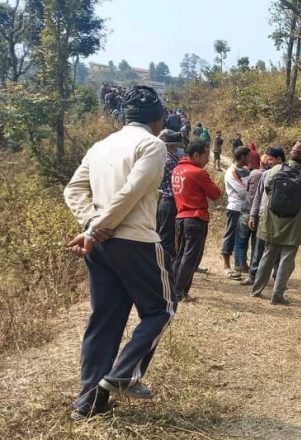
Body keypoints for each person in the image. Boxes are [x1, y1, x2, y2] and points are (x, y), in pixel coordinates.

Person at [63, 86, 174, 421]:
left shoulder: (100, 146)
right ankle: (125, 374)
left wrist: (92, 224)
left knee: (105, 321)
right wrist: (98, 228)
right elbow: (131, 192)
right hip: (136, 242)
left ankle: (88, 403)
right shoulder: (153, 145)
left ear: (125, 116)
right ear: (159, 119)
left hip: (99, 246)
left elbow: (74, 189)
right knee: (162, 309)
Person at [250, 141, 301, 305]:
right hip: (294, 222)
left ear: (290, 154)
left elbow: (267, 190)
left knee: (268, 253)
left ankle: (256, 290)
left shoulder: (275, 170)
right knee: (287, 258)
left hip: (272, 219)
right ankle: (277, 295)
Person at [171, 140, 221, 302]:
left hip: (180, 218)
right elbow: (215, 193)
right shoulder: (198, 173)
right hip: (196, 218)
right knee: (191, 257)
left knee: (180, 255)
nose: (208, 160)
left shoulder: (177, 170)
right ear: (196, 155)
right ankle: (179, 292)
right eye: (206, 156)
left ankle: (175, 289)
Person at [242, 147, 285, 286]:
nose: (269, 162)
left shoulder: (288, 175)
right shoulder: (265, 174)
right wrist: (253, 216)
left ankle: (277, 278)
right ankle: (253, 276)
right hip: (262, 216)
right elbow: (258, 197)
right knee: (258, 248)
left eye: (271, 159)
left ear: (279, 159)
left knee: (277, 249)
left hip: (279, 218)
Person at [222, 146, 250, 278]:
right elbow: (243, 191)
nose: (250, 158)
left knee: (243, 237)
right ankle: (226, 265)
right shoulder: (231, 172)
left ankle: (242, 263)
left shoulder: (245, 170)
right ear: (242, 157)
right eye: (248, 156)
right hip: (235, 207)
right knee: (230, 235)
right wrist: (253, 191)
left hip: (244, 209)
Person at [157, 129, 184, 262]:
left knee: (170, 233)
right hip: (168, 201)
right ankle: (167, 262)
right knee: (167, 235)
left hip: (168, 201)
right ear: (170, 145)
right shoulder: (169, 161)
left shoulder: (170, 159)